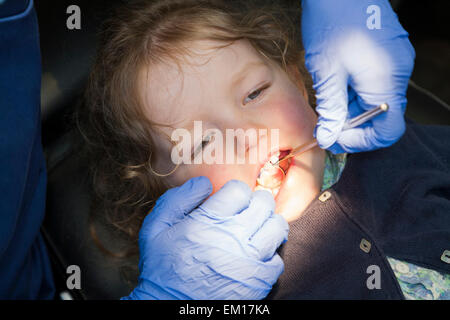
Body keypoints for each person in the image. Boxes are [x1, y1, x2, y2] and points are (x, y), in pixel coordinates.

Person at [0, 0, 424, 300]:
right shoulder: (212, 289)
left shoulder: (408, 150)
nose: (246, 134)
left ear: (299, 78)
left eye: (255, 93)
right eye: (201, 141)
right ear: (164, 198)